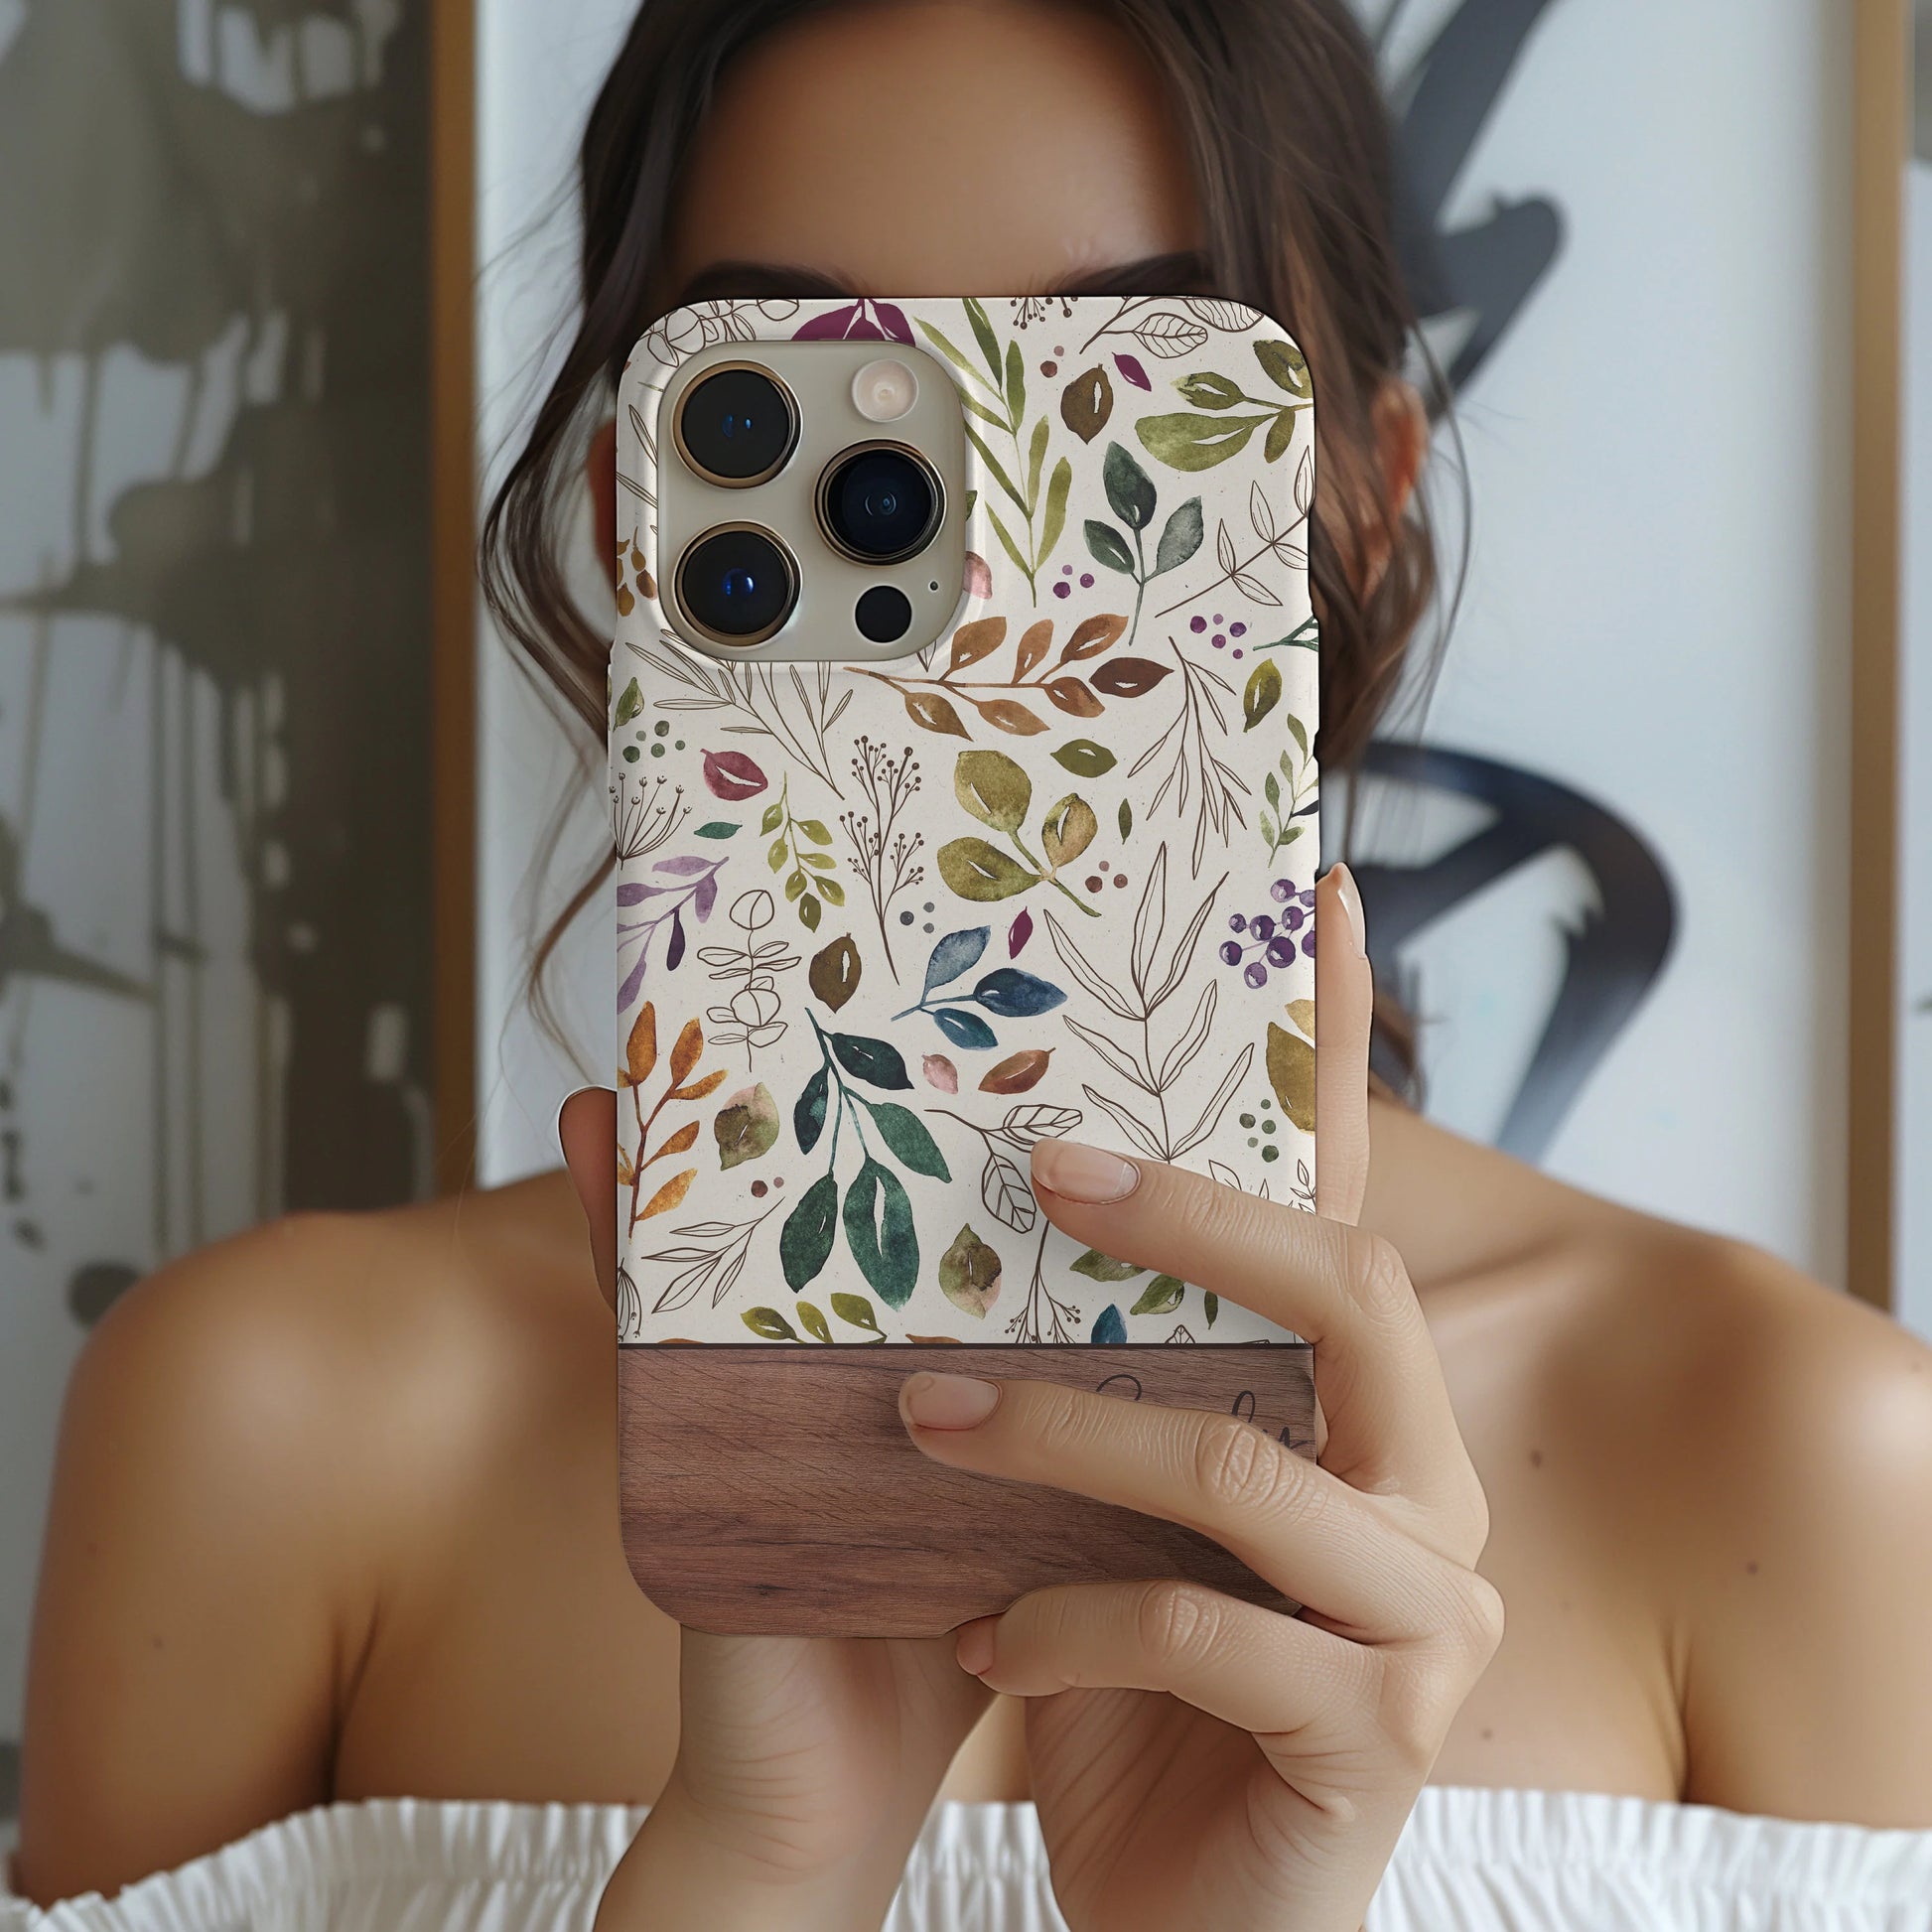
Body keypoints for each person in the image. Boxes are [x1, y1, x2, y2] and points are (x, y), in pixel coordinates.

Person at [12, 2, 1932, 1927]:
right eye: (809, 410)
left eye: (1117, 409)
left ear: (1356, 497)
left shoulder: (1796, 1459)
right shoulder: (269, 1426)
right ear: (633, 522)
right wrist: (765, 1869)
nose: (984, 582)